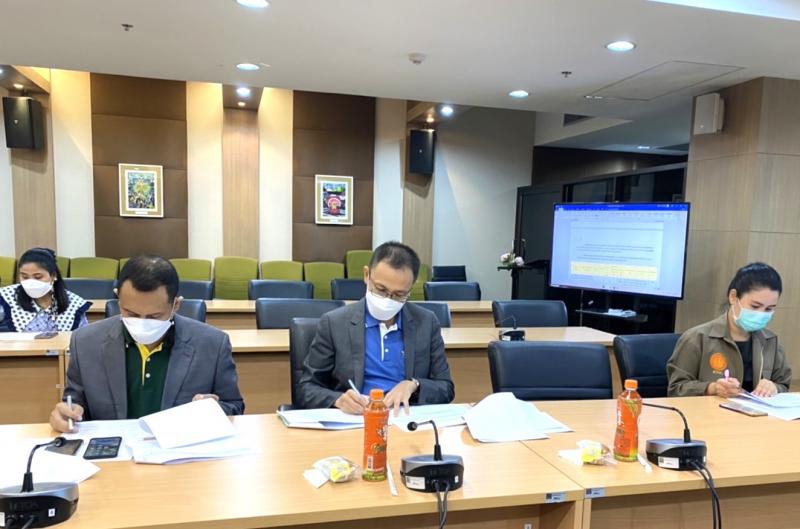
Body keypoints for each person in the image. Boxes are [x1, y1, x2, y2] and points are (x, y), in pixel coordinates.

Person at [49, 255, 244, 432]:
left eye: (154, 316)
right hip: (114, 452)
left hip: (181, 453)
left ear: (176, 305)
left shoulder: (212, 344)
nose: (142, 323)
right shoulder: (85, 342)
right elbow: (75, 405)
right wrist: (66, 415)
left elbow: (234, 406)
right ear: (118, 298)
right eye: (131, 313)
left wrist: (215, 409)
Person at [297, 241, 455, 415]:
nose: (388, 300)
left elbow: (446, 388)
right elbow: (306, 388)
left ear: (411, 288)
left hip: (405, 418)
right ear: (367, 275)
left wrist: (414, 385)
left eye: (399, 295)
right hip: (357, 418)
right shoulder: (334, 323)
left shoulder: (426, 322)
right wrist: (338, 400)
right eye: (381, 290)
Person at [667, 262, 791, 398]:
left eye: (769, 309)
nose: (761, 314)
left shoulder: (771, 341)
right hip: (710, 411)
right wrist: (712, 388)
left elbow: (783, 385)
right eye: (755, 306)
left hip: (756, 411)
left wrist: (773, 387)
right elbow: (675, 389)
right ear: (733, 297)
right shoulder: (697, 338)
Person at [0, 248, 91, 333]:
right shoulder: (7, 297)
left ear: (53, 275)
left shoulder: (74, 304)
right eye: (25, 277)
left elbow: (83, 338)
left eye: (38, 277)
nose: (31, 282)